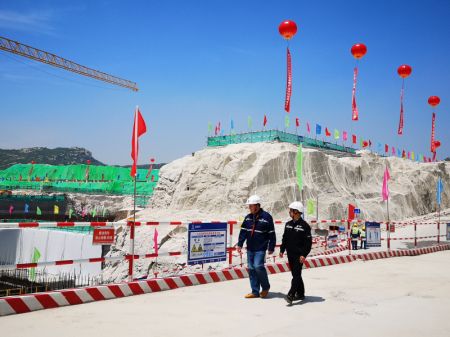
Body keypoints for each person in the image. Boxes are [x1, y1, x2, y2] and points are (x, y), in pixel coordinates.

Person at [236, 195, 276, 299]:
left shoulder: (267, 217)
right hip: (250, 248)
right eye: (249, 206)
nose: (249, 208)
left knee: (258, 266)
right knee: (252, 269)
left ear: (257, 206)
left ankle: (266, 287)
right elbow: (243, 232)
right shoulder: (248, 217)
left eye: (251, 206)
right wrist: (240, 244)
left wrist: (271, 246)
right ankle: (255, 291)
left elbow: (271, 233)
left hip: (261, 248)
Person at [279, 201, 312, 304]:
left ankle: (291, 294)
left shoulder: (305, 226)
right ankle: (301, 293)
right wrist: (282, 249)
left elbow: (308, 243)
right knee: (295, 274)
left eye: (291, 210)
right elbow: (285, 238)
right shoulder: (288, 224)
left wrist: (304, 254)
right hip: (290, 254)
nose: (290, 212)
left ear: (297, 212)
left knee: (296, 275)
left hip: (299, 255)